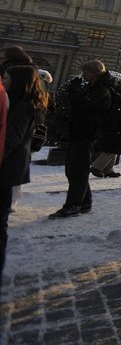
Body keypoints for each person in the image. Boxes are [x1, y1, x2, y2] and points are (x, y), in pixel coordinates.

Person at [0, 65, 48, 287]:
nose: (4, 80)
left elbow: (11, 138)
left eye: (7, 77)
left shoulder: (24, 105)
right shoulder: (24, 101)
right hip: (11, 166)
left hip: (8, 167)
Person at [50, 60, 113, 218]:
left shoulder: (102, 90)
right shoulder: (94, 87)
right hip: (80, 133)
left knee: (77, 170)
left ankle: (74, 204)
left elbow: (84, 107)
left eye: (86, 72)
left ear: (95, 72)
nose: (84, 75)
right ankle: (85, 202)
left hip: (87, 135)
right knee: (76, 169)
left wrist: (74, 92)